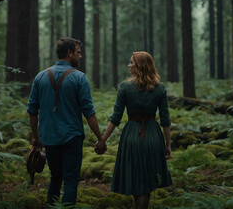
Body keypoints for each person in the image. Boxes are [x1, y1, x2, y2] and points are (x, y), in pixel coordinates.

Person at [27, 37, 106, 207]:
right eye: (78, 52)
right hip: (72, 138)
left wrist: (36, 138)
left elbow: (32, 111)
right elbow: (89, 113)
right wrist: (100, 138)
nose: (80, 56)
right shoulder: (79, 78)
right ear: (69, 53)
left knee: (55, 177)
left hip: (49, 138)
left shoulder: (40, 77)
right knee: (71, 180)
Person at [96, 51, 172, 209]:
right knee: (148, 180)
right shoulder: (160, 88)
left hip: (131, 135)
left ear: (140, 66)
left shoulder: (125, 87)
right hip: (153, 136)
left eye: (132, 62)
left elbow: (115, 118)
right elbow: (165, 120)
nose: (128, 65)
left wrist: (103, 140)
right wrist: (167, 144)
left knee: (137, 179)